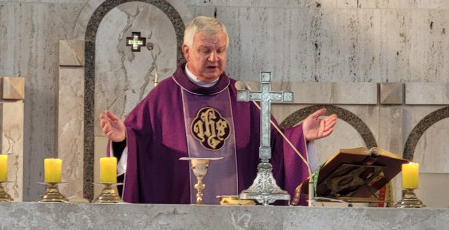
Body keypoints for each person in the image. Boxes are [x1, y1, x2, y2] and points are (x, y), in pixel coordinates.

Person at [99, 16, 336, 204]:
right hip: (178, 218)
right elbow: (140, 146)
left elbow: (273, 145)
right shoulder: (164, 95)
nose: (214, 58)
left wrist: (300, 134)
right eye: (205, 51)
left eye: (220, 51)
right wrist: (124, 138)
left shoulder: (242, 95)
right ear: (186, 51)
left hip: (237, 221)